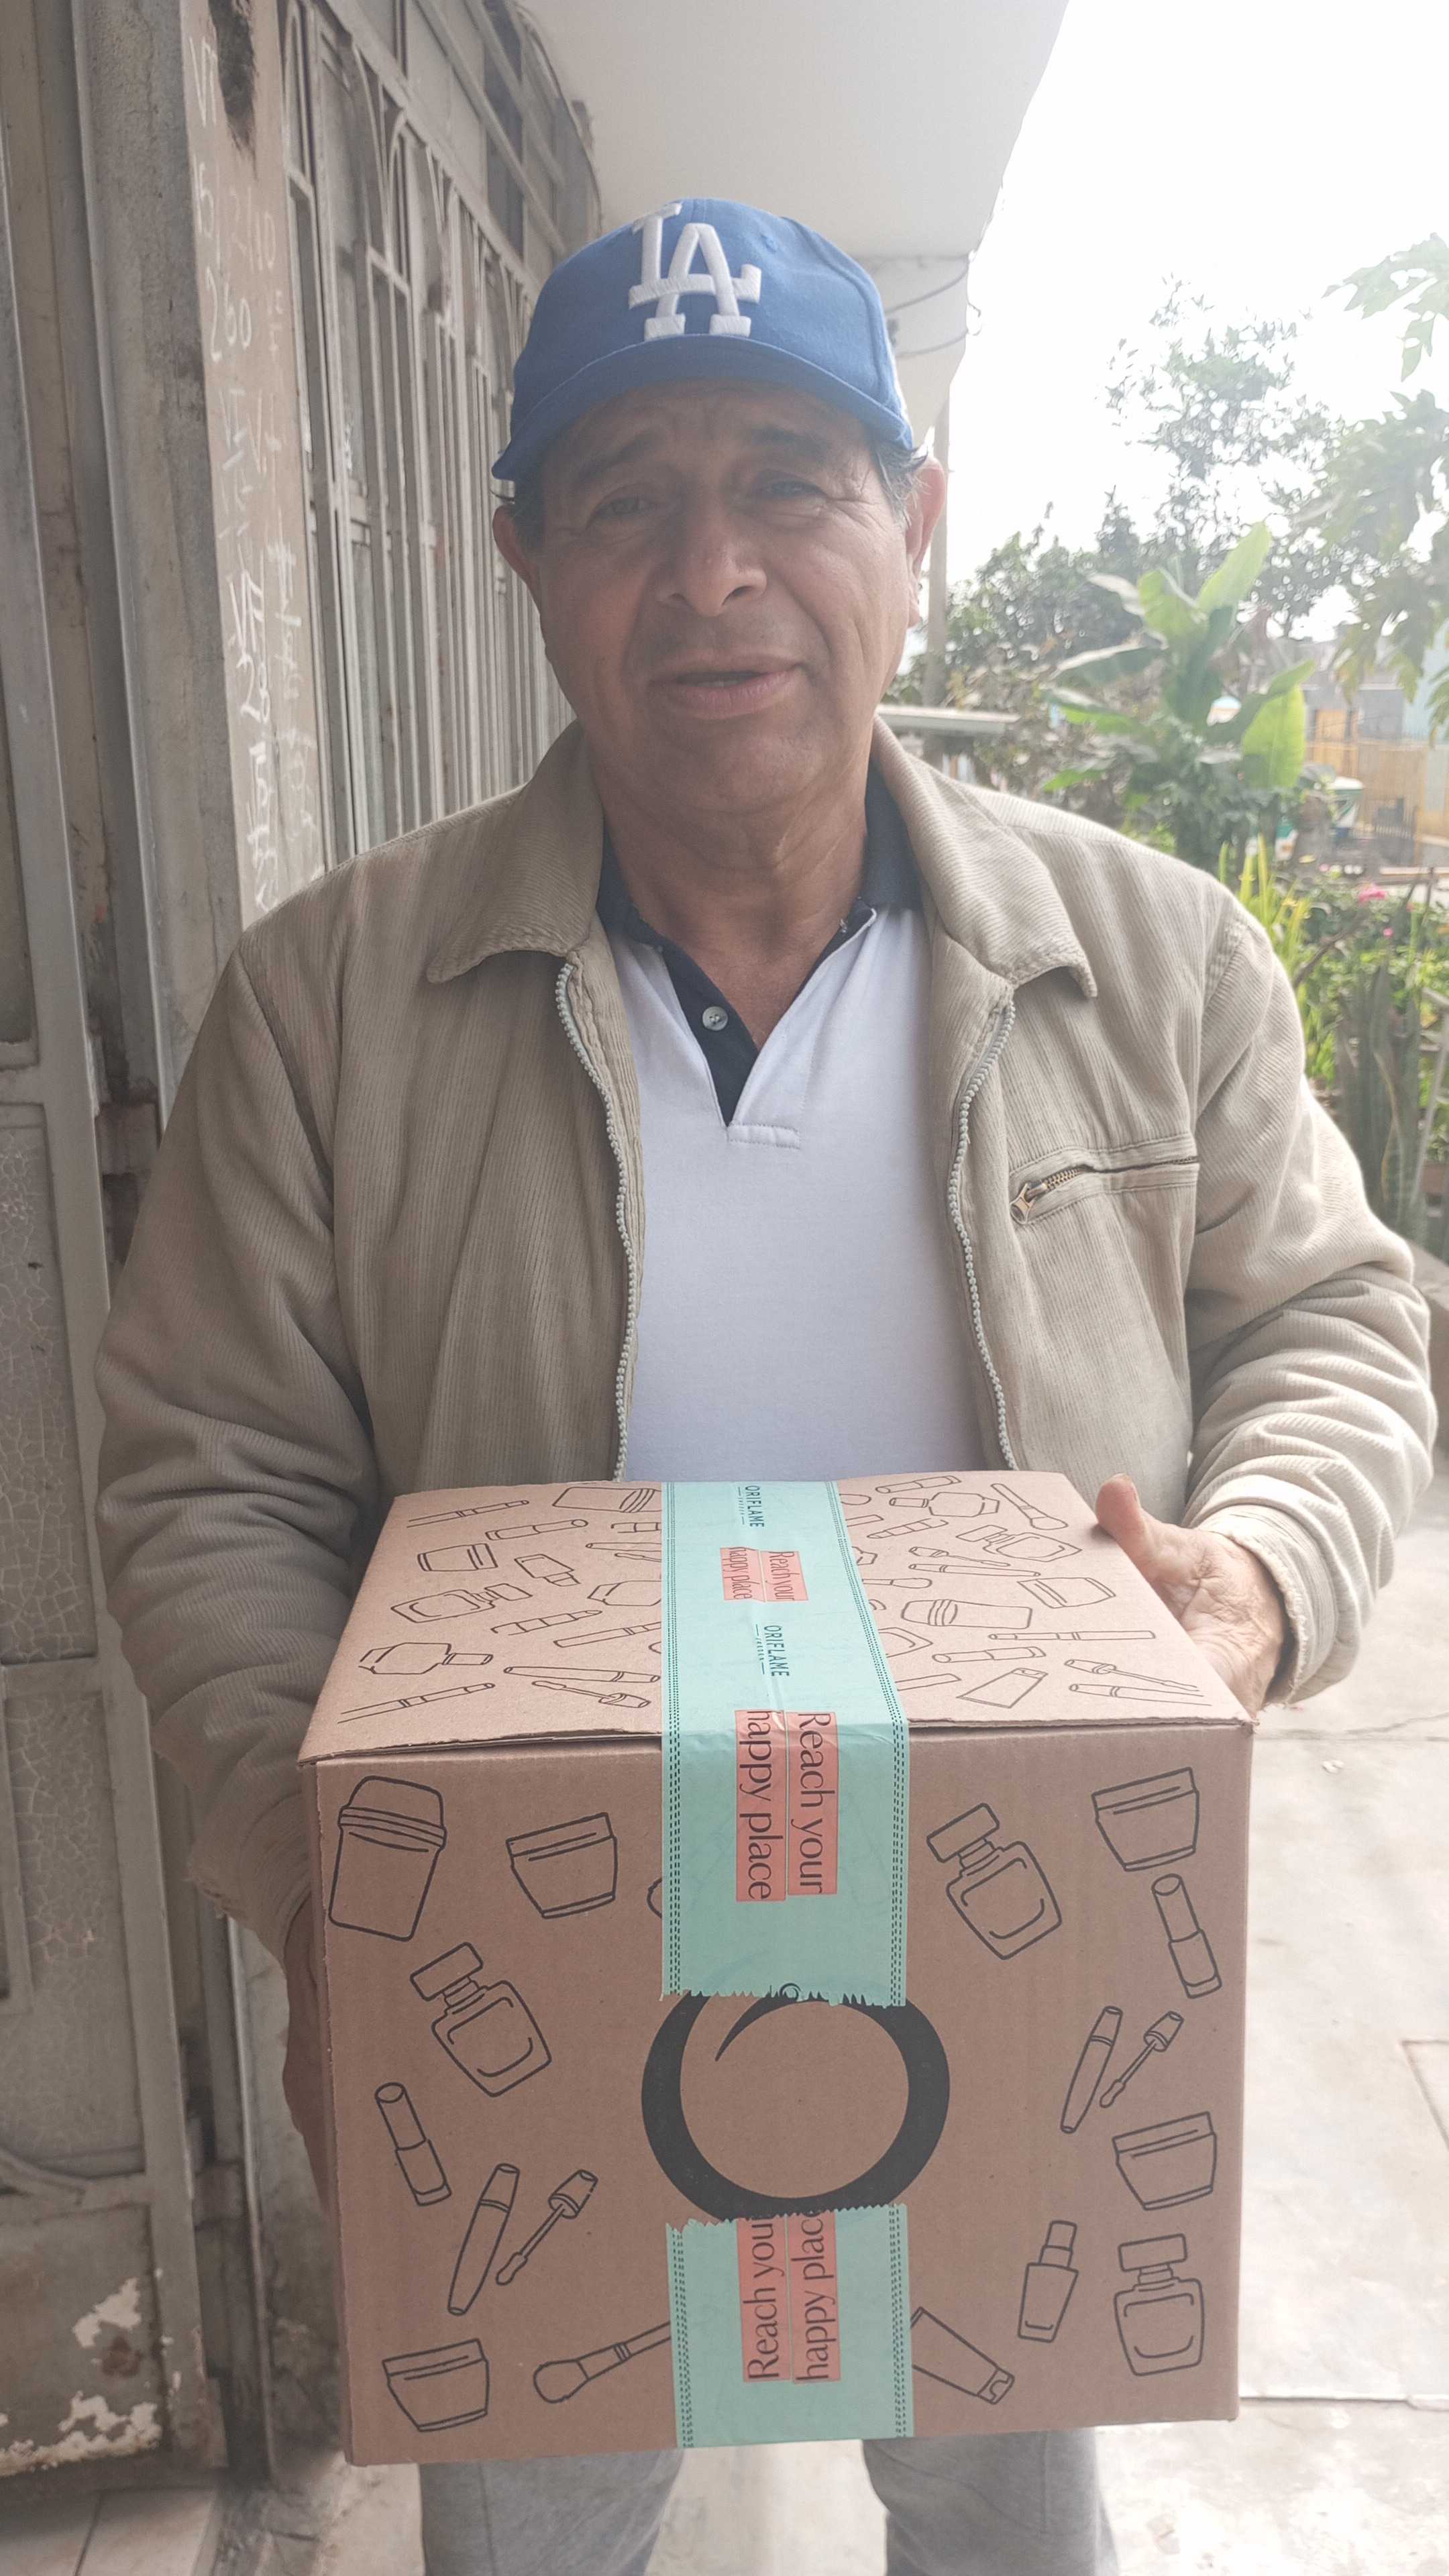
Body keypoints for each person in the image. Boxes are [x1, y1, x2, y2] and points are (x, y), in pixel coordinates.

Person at [94, 199, 1434, 2576]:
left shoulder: (1153, 960)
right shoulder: (329, 1007)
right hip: (538, 1939)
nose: (712, 574)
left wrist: (1257, 1576)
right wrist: (339, 1892)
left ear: (913, 523)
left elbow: (1332, 1320)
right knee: (540, 2520)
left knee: (1007, 2511)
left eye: (789, 484)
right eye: (627, 499)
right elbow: (213, 1482)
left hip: (1009, 1918)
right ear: (523, 557)